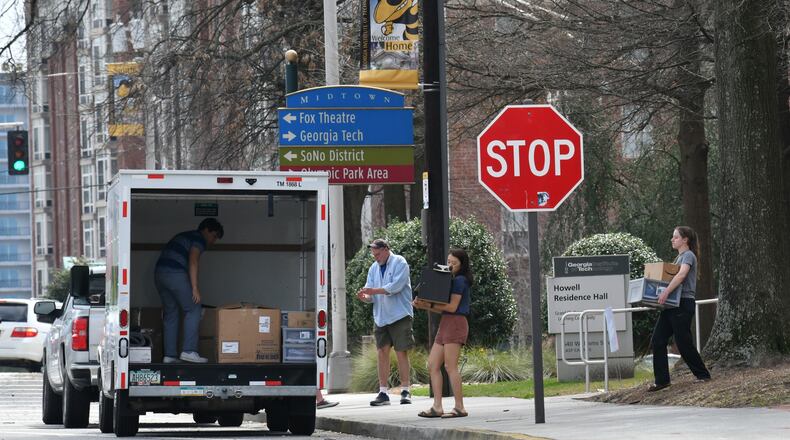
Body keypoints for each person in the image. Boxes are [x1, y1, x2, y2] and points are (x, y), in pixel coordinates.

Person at [648, 226, 712, 391]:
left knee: (683, 342)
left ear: (685, 240)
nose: (672, 239)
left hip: (683, 304)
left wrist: (666, 291)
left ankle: (703, 375)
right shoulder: (678, 258)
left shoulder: (688, 256)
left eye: (675, 237)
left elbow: (682, 275)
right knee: (658, 340)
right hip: (671, 305)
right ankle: (662, 381)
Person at [413, 249, 472, 418]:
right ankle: (437, 406)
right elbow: (443, 309)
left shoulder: (460, 281)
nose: (450, 265)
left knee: (450, 366)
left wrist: (427, 305)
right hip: (446, 322)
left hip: (456, 322)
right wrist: (423, 304)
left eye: (454, 263)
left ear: (462, 264)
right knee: (433, 364)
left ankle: (460, 407)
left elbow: (452, 308)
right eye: (448, 262)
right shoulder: (451, 280)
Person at [154, 218, 223, 363]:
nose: (213, 241)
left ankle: (170, 355)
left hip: (160, 274)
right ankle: (189, 351)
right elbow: (193, 260)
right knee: (194, 308)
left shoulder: (184, 235)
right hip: (175, 274)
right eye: (214, 236)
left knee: (171, 313)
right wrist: (195, 288)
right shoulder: (198, 238)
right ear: (206, 230)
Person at [356, 238, 414, 406]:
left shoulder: (400, 262)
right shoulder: (373, 268)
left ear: (387, 249)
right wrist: (364, 297)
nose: (376, 257)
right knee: (382, 353)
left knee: (402, 352)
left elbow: (395, 287)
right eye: (374, 254)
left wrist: (373, 291)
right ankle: (383, 392)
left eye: (378, 253)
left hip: (400, 315)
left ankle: (405, 390)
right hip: (381, 318)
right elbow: (371, 296)